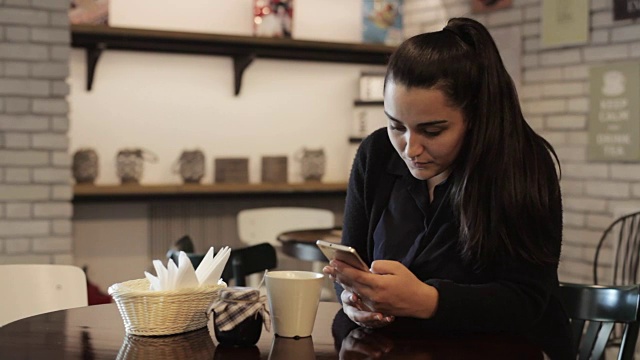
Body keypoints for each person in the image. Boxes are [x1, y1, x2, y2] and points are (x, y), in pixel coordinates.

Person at [323, 17, 572, 359]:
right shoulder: (377, 153)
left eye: (433, 131)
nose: (410, 149)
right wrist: (353, 301)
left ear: (476, 117)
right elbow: (351, 266)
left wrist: (426, 301)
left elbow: (528, 301)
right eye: (396, 125)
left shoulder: (522, 164)